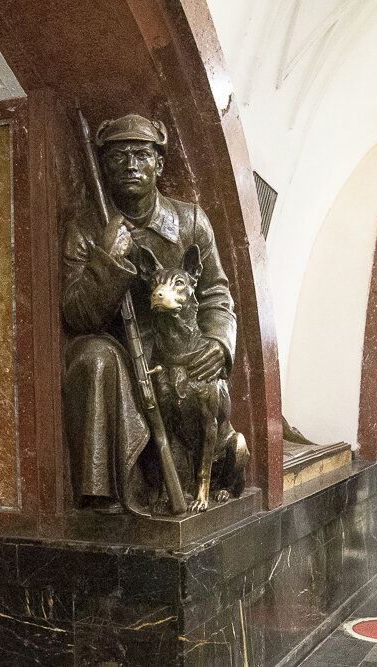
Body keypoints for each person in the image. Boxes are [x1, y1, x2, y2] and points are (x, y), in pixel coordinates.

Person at [61, 114, 236, 515]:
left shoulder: (191, 221)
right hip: (125, 355)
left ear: (159, 163)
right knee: (92, 356)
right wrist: (108, 259)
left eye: (141, 154)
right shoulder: (86, 229)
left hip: (183, 350)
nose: (130, 165)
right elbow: (76, 314)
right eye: (119, 157)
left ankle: (194, 483)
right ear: (104, 167)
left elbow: (216, 291)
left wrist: (218, 342)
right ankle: (103, 499)